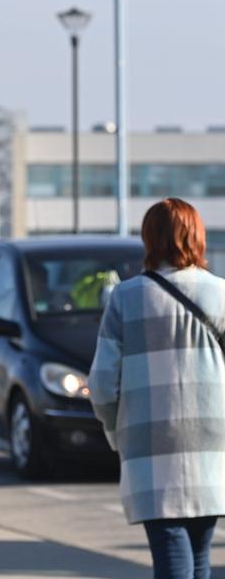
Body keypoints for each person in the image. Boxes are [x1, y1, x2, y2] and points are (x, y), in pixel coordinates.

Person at [89, 198, 225, 579]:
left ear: (149, 239)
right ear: (197, 237)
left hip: (151, 439)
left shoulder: (126, 298)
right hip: (214, 440)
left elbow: (101, 384)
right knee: (199, 553)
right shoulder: (221, 293)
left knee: (169, 548)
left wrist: (115, 430)